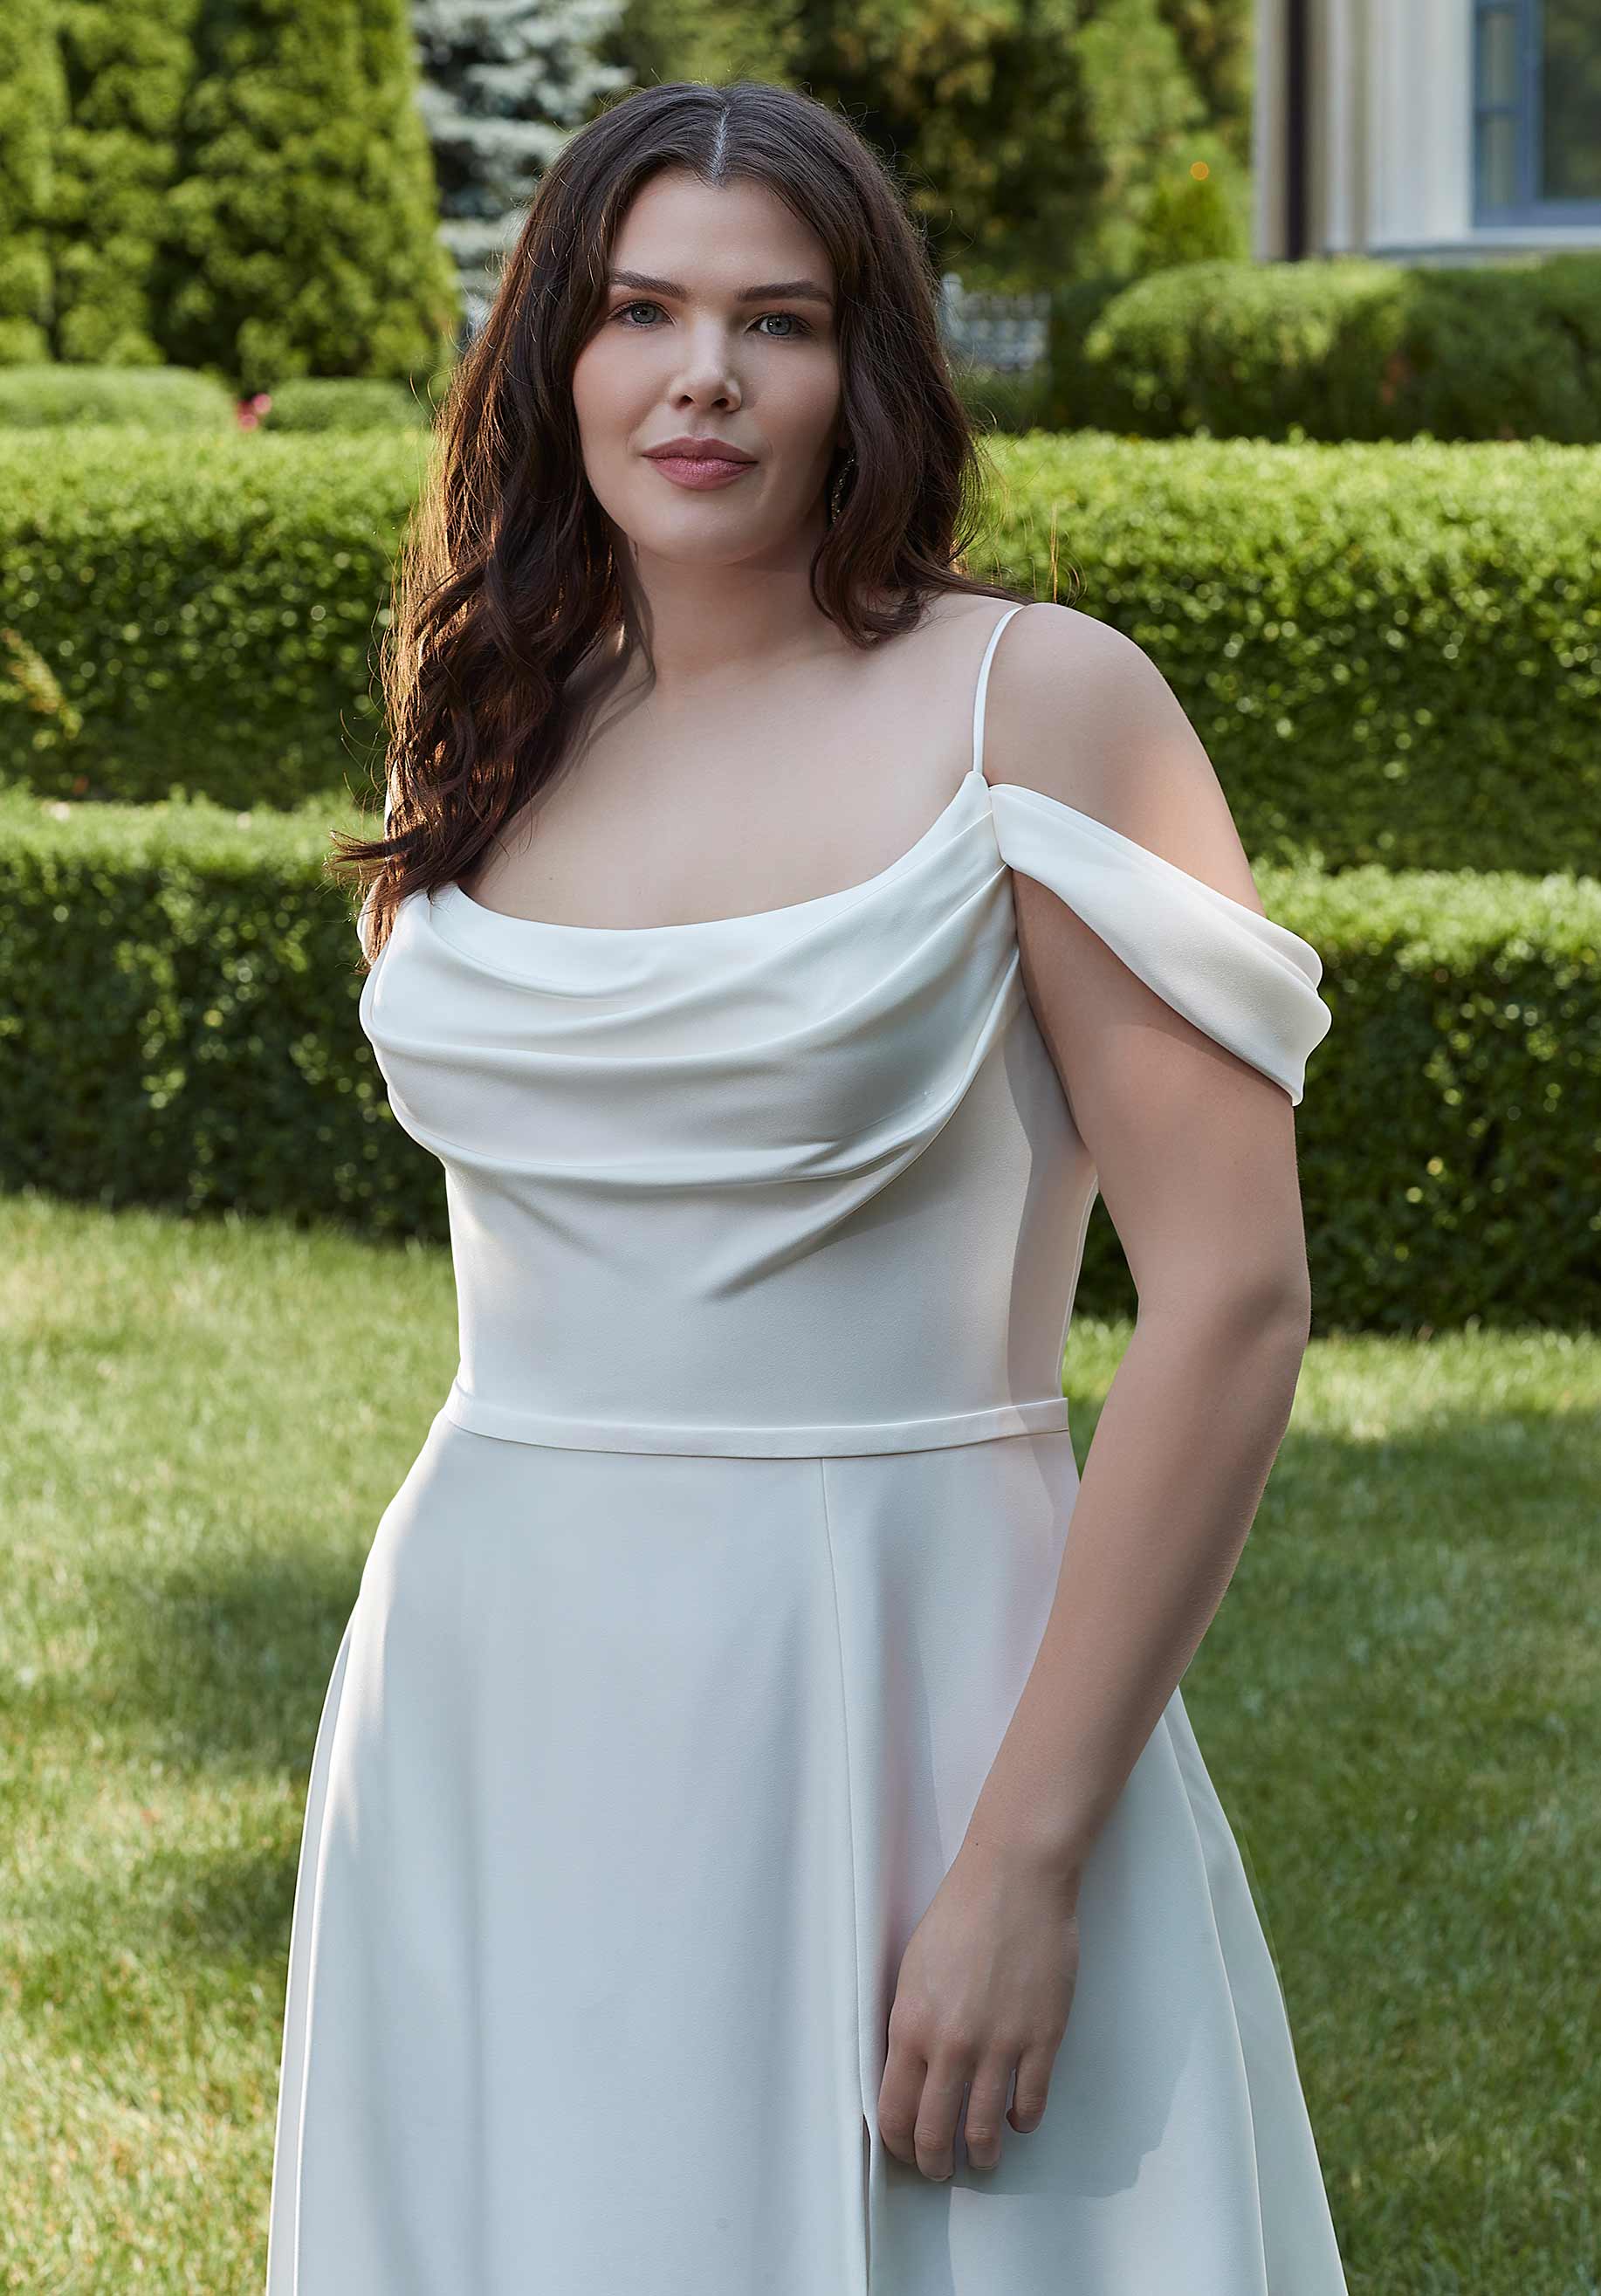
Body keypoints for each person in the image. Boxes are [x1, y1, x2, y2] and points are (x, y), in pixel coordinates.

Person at [266, 77, 1349, 2296]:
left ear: (869, 369)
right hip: (489, 1672)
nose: (701, 378)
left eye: (775, 322)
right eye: (640, 309)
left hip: (918, 1679)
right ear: (550, 347)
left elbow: (1231, 1299)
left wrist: (1026, 1853)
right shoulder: (485, 716)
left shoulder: (1036, 708)